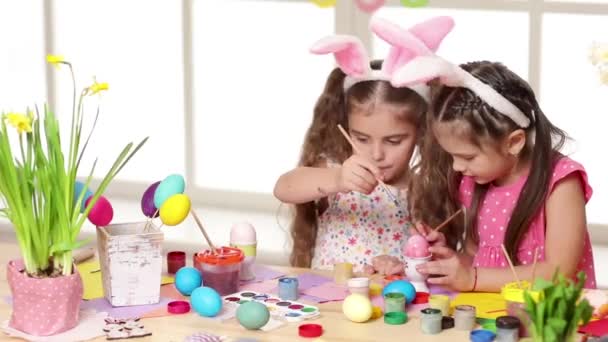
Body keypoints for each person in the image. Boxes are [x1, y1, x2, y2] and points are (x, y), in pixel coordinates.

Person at [393, 56, 596, 290]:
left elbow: (559, 272)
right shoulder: (475, 180)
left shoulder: (560, 183)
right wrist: (452, 262)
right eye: (452, 156)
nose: (457, 167)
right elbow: (477, 257)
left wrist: (473, 278)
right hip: (493, 312)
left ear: (515, 142)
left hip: (549, 317)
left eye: (468, 157)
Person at [273, 16, 455, 274]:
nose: (377, 154)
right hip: (328, 302)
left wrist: (405, 265)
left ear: (421, 133)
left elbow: (428, 265)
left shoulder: (423, 190)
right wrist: (337, 179)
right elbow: (284, 188)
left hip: (386, 307)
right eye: (361, 138)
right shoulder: (336, 172)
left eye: (394, 141)